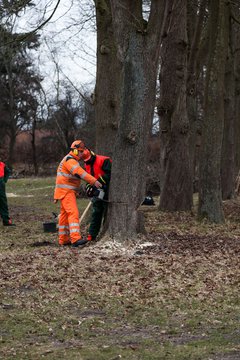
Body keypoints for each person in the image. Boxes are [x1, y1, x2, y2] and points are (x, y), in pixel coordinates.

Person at [54, 140, 102, 247]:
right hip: (66, 192)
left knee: (64, 216)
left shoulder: (70, 159)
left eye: (82, 152)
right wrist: (94, 181)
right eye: (80, 152)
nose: (81, 154)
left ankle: (63, 239)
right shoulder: (70, 160)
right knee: (73, 213)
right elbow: (81, 173)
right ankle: (75, 239)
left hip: (64, 192)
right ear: (75, 151)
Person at [80, 147, 112, 242]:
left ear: (92, 154)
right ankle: (92, 234)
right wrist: (89, 186)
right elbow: (89, 177)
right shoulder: (87, 164)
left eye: (89, 160)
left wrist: (98, 182)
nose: (87, 162)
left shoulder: (104, 160)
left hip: (108, 189)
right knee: (96, 212)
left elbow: (109, 174)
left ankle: (106, 232)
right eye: (86, 161)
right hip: (97, 191)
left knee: (107, 213)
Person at [0, 160, 15, 226]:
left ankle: (6, 221)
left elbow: (8, 172)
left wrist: (4, 180)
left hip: (1, 185)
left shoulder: (2, 164)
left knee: (3, 203)